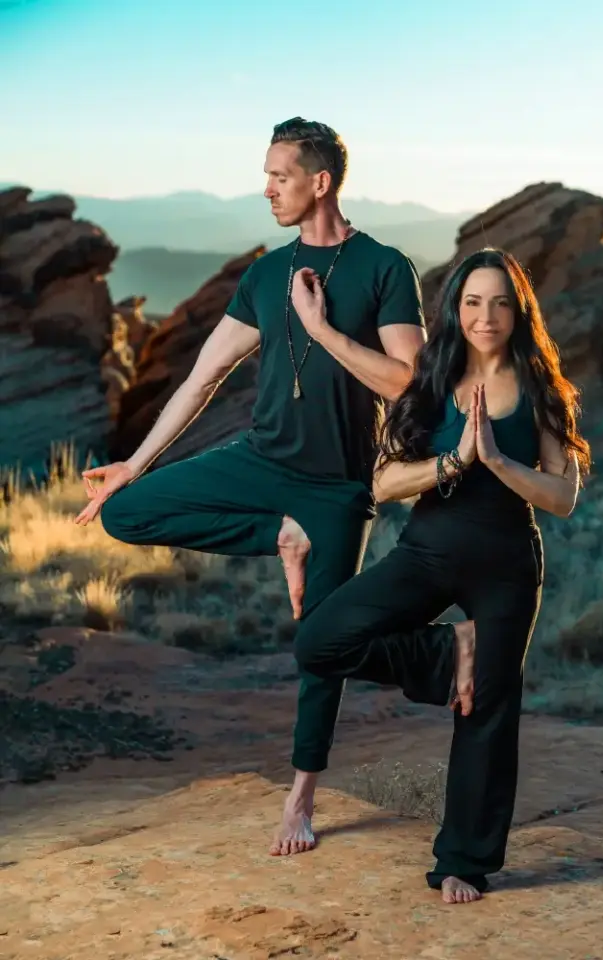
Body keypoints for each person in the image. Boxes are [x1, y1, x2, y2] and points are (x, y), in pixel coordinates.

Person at [73, 117, 426, 856]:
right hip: (260, 459)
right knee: (126, 513)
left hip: (337, 488)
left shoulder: (385, 267)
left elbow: (406, 383)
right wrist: (134, 462)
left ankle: (301, 801)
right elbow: (202, 378)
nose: (266, 189)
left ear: (320, 181)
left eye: (280, 176)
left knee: (320, 648)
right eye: (266, 175)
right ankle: (279, 535)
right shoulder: (265, 275)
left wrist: (323, 330)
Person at [292, 248, 591, 904]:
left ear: (519, 311)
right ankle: (448, 650)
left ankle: (464, 862)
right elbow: (387, 481)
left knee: (488, 708)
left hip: (507, 565)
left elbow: (563, 498)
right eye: (473, 302)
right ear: (456, 309)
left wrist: (496, 461)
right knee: (320, 641)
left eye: (501, 302)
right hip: (427, 553)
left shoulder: (541, 387)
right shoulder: (430, 379)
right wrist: (454, 460)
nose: (487, 315)